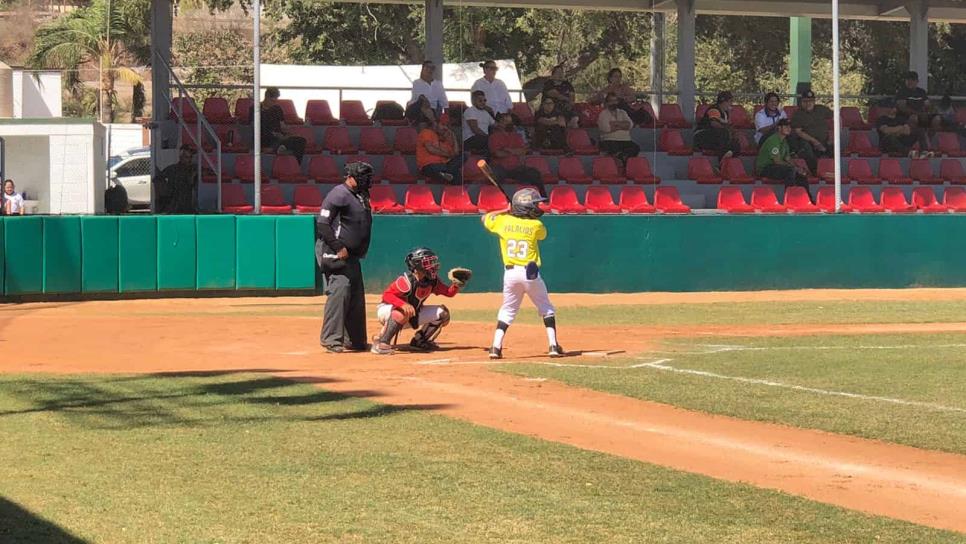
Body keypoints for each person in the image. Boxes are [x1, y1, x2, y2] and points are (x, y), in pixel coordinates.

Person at [482, 188, 563, 359]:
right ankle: (553, 346)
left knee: (508, 310)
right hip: (530, 273)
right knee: (546, 308)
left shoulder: (503, 222)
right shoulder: (536, 225)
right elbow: (542, 235)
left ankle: (495, 347)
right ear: (526, 208)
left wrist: (505, 210)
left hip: (510, 274)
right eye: (534, 204)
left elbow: (485, 217)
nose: (538, 207)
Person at [317, 162, 374, 353]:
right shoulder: (338, 194)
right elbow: (323, 224)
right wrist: (338, 246)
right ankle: (331, 339)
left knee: (356, 294)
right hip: (334, 251)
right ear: (350, 177)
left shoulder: (362, 196)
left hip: (353, 254)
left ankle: (355, 340)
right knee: (340, 290)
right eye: (362, 176)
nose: (366, 180)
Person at [370, 247, 469, 355]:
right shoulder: (406, 281)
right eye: (427, 262)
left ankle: (419, 341)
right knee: (401, 313)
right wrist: (402, 304)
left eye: (432, 262)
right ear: (417, 264)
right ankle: (381, 343)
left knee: (443, 314)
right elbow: (387, 295)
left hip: (412, 312)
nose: (432, 266)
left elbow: (448, 293)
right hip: (387, 310)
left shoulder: (432, 281)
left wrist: (457, 285)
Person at [488, 113, 547, 196]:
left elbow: (523, 151)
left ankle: (543, 198)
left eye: (510, 122)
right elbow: (498, 154)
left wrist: (508, 150)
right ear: (499, 123)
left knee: (534, 173)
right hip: (500, 167)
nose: (509, 124)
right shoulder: (493, 137)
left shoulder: (517, 136)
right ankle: (498, 199)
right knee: (493, 175)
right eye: (505, 121)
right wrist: (515, 151)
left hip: (516, 167)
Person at [755, 119, 812, 202]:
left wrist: (798, 168)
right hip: (765, 168)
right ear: (779, 128)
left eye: (789, 127)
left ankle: (807, 199)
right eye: (786, 126)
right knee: (790, 171)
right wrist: (794, 168)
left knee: (801, 174)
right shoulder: (773, 140)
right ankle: (790, 198)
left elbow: (788, 158)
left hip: (777, 167)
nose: (788, 128)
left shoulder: (784, 141)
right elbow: (777, 161)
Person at [247, 87, 307, 163]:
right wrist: (273, 134)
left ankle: (295, 163)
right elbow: (254, 127)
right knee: (264, 130)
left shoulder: (277, 109)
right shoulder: (255, 109)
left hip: (278, 137)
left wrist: (289, 133)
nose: (273, 103)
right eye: (272, 101)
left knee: (301, 141)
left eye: (275, 101)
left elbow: (282, 126)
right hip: (264, 137)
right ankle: (277, 147)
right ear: (267, 96)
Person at [789, 89, 832, 176]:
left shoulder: (822, 109)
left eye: (811, 101)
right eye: (805, 101)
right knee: (806, 149)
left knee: (835, 148)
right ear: (801, 102)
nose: (808, 103)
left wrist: (835, 136)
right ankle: (815, 173)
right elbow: (799, 132)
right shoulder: (798, 114)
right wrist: (815, 142)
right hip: (808, 142)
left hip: (825, 140)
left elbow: (838, 117)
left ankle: (832, 173)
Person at [589, 68, 653, 126]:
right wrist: (601, 99)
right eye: (616, 76)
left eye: (620, 76)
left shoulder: (624, 88)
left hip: (625, 111)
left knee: (621, 102)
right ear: (610, 78)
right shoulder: (605, 90)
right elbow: (592, 100)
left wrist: (623, 98)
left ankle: (638, 119)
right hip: (611, 113)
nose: (618, 79)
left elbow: (633, 98)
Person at [694, 91, 741, 160]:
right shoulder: (714, 110)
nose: (731, 104)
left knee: (736, 144)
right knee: (723, 133)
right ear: (723, 101)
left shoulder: (725, 113)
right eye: (730, 101)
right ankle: (721, 160)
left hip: (716, 138)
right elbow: (714, 123)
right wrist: (728, 130)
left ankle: (725, 161)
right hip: (702, 136)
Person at [597, 92, 640, 165]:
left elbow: (630, 125)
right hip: (609, 140)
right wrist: (623, 125)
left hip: (625, 140)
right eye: (611, 101)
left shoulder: (623, 112)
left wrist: (614, 124)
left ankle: (622, 158)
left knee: (636, 148)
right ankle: (622, 160)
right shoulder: (603, 114)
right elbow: (607, 128)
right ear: (607, 103)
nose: (613, 103)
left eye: (615, 101)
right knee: (612, 147)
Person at [155, 145, 197, 214]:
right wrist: (162, 194)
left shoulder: (193, 169)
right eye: (186, 157)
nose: (189, 160)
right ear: (181, 157)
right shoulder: (172, 169)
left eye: (190, 157)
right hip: (173, 205)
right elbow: (157, 179)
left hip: (187, 205)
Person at [408, 60, 449, 124]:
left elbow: (444, 102)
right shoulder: (416, 83)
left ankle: (432, 122)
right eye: (427, 67)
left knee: (423, 114)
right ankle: (434, 122)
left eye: (432, 68)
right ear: (422, 69)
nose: (429, 70)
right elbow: (416, 99)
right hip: (416, 107)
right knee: (422, 99)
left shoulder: (438, 84)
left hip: (432, 109)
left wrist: (447, 117)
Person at [462, 90, 495, 155]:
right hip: (471, 139)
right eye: (480, 101)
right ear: (473, 101)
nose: (483, 103)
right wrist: (489, 138)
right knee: (492, 142)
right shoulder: (470, 111)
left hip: (483, 138)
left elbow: (495, 125)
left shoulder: (486, 113)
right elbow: (475, 129)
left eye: (484, 100)